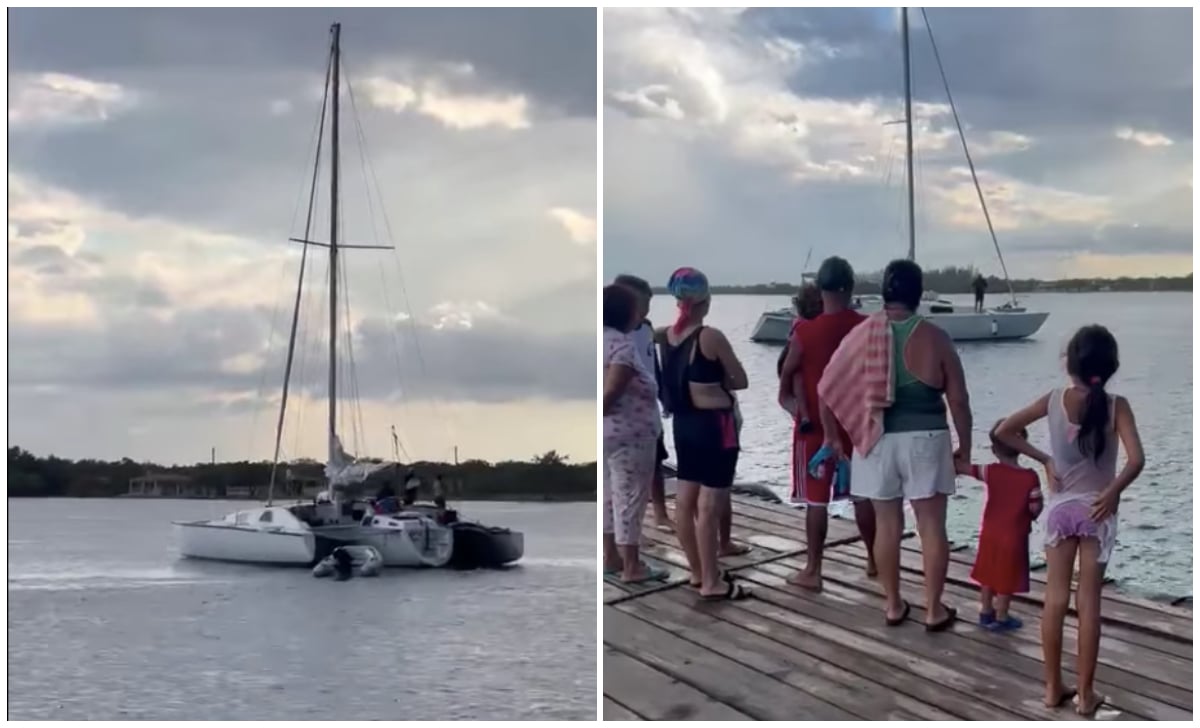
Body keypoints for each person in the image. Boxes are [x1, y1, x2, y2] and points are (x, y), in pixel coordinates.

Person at [993, 325, 1144, 716]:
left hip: (1059, 512)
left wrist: (1043, 458)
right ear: (1110, 365)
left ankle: (1050, 686)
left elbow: (1004, 430)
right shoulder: (1117, 405)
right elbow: (1137, 460)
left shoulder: (1054, 399)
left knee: (1054, 599)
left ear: (1070, 362)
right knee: (1089, 602)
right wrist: (1113, 491)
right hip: (1097, 511)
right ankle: (1086, 694)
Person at [818, 259, 970, 631]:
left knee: (887, 526)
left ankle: (893, 605)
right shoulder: (935, 337)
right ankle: (934, 610)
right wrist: (965, 447)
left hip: (875, 437)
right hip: (926, 438)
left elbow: (826, 387)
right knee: (932, 527)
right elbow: (959, 400)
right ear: (917, 293)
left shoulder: (862, 334)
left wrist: (833, 435)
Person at [777, 257, 876, 590]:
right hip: (856, 424)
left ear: (820, 289)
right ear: (850, 288)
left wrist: (796, 409)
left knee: (816, 501)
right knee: (863, 497)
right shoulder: (868, 327)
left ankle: (813, 570)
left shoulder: (804, 331)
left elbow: (786, 375)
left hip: (815, 428)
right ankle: (875, 561)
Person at [659, 267, 751, 600]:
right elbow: (740, 379)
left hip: (684, 426)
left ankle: (699, 572)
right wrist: (719, 383)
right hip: (715, 427)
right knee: (710, 505)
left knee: (685, 502)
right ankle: (712, 583)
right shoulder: (709, 336)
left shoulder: (667, 337)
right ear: (705, 300)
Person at [602, 284, 666, 584]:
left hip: (605, 436)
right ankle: (632, 566)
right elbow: (614, 388)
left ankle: (611, 558)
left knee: (608, 497)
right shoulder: (622, 346)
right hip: (631, 435)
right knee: (630, 498)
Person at [955, 420, 1044, 632]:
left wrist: (955, 456)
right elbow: (1035, 508)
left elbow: (963, 469)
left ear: (994, 450)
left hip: (989, 533)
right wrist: (1034, 513)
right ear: (1023, 447)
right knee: (1007, 576)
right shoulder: (1030, 477)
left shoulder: (990, 471)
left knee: (988, 572)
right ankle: (1002, 616)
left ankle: (986, 612)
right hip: (1014, 535)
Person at [614, 273, 674, 532]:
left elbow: (653, 364)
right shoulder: (614, 334)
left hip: (648, 409)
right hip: (622, 414)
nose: (643, 310)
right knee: (622, 474)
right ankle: (625, 527)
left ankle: (660, 513)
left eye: (647, 304)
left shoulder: (646, 328)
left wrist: (665, 397)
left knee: (655, 463)